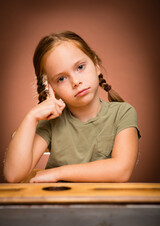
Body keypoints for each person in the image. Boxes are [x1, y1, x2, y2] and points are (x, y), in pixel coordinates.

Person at [4, 31, 141, 183]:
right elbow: (13, 175)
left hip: (105, 204)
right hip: (57, 204)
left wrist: (58, 173)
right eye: (61, 78)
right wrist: (32, 117)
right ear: (52, 88)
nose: (75, 81)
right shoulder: (51, 122)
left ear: (96, 66)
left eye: (80, 67)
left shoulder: (123, 113)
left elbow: (121, 171)